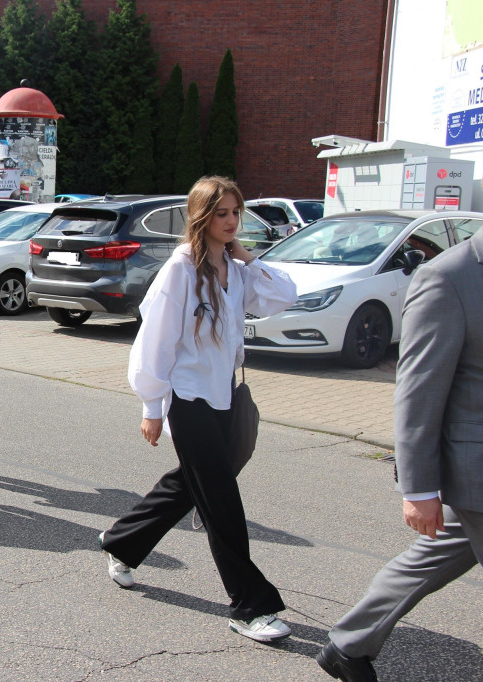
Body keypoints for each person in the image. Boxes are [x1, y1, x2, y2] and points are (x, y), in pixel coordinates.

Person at [98, 176, 298, 643]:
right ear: (201, 217)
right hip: (187, 399)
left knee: (189, 484)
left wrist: (247, 255)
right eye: (222, 214)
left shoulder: (236, 268)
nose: (230, 222)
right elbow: (155, 340)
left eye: (236, 214)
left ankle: (122, 542)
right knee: (221, 501)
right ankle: (250, 605)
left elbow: (284, 295)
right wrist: (151, 405)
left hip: (223, 394)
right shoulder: (181, 269)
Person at [317, 226, 483, 682]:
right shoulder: (449, 277)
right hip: (476, 471)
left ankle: (348, 644)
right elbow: (417, 392)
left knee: (440, 552)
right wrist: (418, 487)